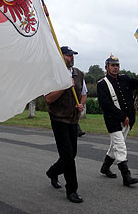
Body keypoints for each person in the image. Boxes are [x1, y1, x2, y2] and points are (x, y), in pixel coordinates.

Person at [97, 54, 138, 186]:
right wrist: (122, 117)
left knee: (115, 145)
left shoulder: (124, 79)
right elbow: (106, 105)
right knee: (120, 146)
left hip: (128, 119)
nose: (115, 68)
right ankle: (126, 176)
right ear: (107, 67)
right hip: (113, 120)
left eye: (117, 65)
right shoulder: (102, 84)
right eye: (112, 65)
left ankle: (105, 167)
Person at [45, 46, 87, 203]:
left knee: (71, 154)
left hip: (73, 119)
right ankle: (72, 190)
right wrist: (63, 86)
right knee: (68, 156)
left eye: (72, 55)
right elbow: (48, 98)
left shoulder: (78, 74)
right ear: (60, 57)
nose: (71, 58)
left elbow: (83, 94)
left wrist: (81, 105)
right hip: (59, 119)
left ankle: (53, 172)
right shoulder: (52, 74)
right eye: (68, 55)